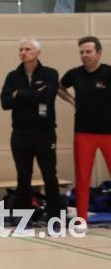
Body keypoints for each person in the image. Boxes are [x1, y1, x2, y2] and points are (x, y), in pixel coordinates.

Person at [0, 38, 63, 224]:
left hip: (44, 133)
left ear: (37, 52)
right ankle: (23, 218)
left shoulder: (50, 73)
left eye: (28, 49)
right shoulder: (13, 76)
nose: (23, 52)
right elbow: (5, 102)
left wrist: (19, 94)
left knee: (49, 175)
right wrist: (35, 95)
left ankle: (54, 217)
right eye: (21, 49)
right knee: (23, 176)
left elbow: (48, 96)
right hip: (20, 134)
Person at [59, 36, 111, 224]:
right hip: (83, 133)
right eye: (82, 52)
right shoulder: (74, 74)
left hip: (108, 132)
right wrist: (72, 101)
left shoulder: (108, 72)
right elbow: (59, 87)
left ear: (99, 53)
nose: (84, 55)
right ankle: (81, 219)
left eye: (88, 52)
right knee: (82, 177)